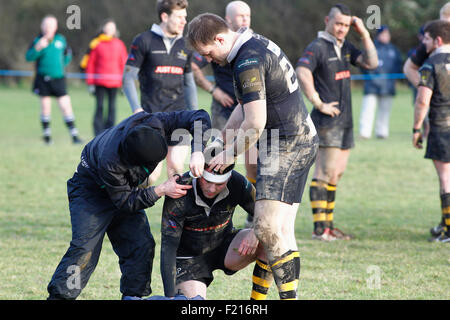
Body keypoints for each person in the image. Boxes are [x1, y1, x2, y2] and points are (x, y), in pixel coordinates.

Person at [187, 13, 318, 300]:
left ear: (220, 39)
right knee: (279, 230)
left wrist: (229, 154)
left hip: (287, 144)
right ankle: (258, 301)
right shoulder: (249, 47)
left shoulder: (246, 61)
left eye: (208, 52)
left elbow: (256, 122)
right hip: (295, 141)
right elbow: (242, 109)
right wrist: (223, 139)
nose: (208, 59)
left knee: (267, 228)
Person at [46, 109, 211, 299]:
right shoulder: (111, 161)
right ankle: (59, 297)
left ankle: (133, 297)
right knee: (84, 251)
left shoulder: (154, 122)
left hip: (125, 189)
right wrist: (160, 190)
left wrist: (197, 150)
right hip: (90, 192)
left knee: (141, 245)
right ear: (133, 161)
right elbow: (125, 202)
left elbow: (199, 116)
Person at [296, 4, 378, 241]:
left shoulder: (346, 47)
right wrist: (318, 102)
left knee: (336, 174)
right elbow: (302, 71)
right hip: (327, 120)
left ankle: (329, 226)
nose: (342, 29)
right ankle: (319, 229)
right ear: (327, 21)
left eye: (345, 25)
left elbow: (372, 63)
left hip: (346, 122)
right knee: (324, 172)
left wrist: (364, 33)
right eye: (338, 23)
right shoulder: (318, 46)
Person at [191, 0, 257, 227]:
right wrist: (213, 90)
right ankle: (210, 211)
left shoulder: (251, 47)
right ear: (228, 21)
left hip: (251, 109)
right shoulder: (213, 44)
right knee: (216, 156)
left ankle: (251, 208)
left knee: (252, 159)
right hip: (225, 109)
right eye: (240, 16)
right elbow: (193, 63)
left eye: (247, 15)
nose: (245, 20)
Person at [160, 162, 267, 299]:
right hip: (189, 259)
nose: (211, 189)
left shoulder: (237, 181)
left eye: (219, 184)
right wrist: (169, 296)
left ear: (228, 179)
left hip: (225, 246)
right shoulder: (180, 189)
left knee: (268, 237)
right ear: (199, 174)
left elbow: (267, 212)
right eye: (207, 181)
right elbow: (168, 247)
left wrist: (256, 230)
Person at [123, 0, 197, 186]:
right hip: (152, 118)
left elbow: (189, 82)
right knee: (151, 177)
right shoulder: (144, 40)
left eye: (185, 17)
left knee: (176, 169)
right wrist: (137, 109)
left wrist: (194, 115)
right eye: (179, 17)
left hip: (179, 115)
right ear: (165, 16)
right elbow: (128, 77)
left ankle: (175, 215)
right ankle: (131, 207)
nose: (184, 22)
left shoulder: (185, 44)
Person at [403, 2, 450, 237]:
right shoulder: (429, 56)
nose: (424, 43)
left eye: (427, 39)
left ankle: (449, 228)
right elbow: (408, 67)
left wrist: (416, 128)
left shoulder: (432, 63)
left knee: (446, 179)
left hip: (442, 125)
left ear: (437, 41)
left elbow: (422, 101)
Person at [25, 15, 82, 145]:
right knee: (45, 107)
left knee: (66, 106)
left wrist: (62, 65)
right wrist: (38, 48)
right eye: (46, 25)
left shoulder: (61, 40)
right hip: (43, 79)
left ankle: (74, 135)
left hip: (58, 79)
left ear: (55, 27)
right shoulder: (38, 41)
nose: (48, 28)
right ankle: (47, 136)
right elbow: (29, 57)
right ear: (42, 26)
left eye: (51, 25)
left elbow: (67, 56)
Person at [82, 19, 128, 136]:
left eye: (112, 28)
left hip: (115, 82)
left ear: (115, 30)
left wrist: (125, 82)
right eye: (107, 27)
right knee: (100, 106)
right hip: (99, 82)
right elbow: (91, 64)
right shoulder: (96, 44)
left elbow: (124, 63)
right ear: (103, 29)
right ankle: (98, 132)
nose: (109, 30)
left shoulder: (119, 44)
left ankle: (110, 131)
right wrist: (90, 83)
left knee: (112, 107)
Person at [359, 25, 403, 139]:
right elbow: (363, 65)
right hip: (371, 85)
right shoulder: (371, 47)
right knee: (368, 110)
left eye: (387, 34)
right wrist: (371, 77)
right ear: (378, 35)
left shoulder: (393, 50)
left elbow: (398, 66)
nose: (386, 36)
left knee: (385, 110)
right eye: (383, 34)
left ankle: (382, 132)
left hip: (388, 86)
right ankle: (365, 133)